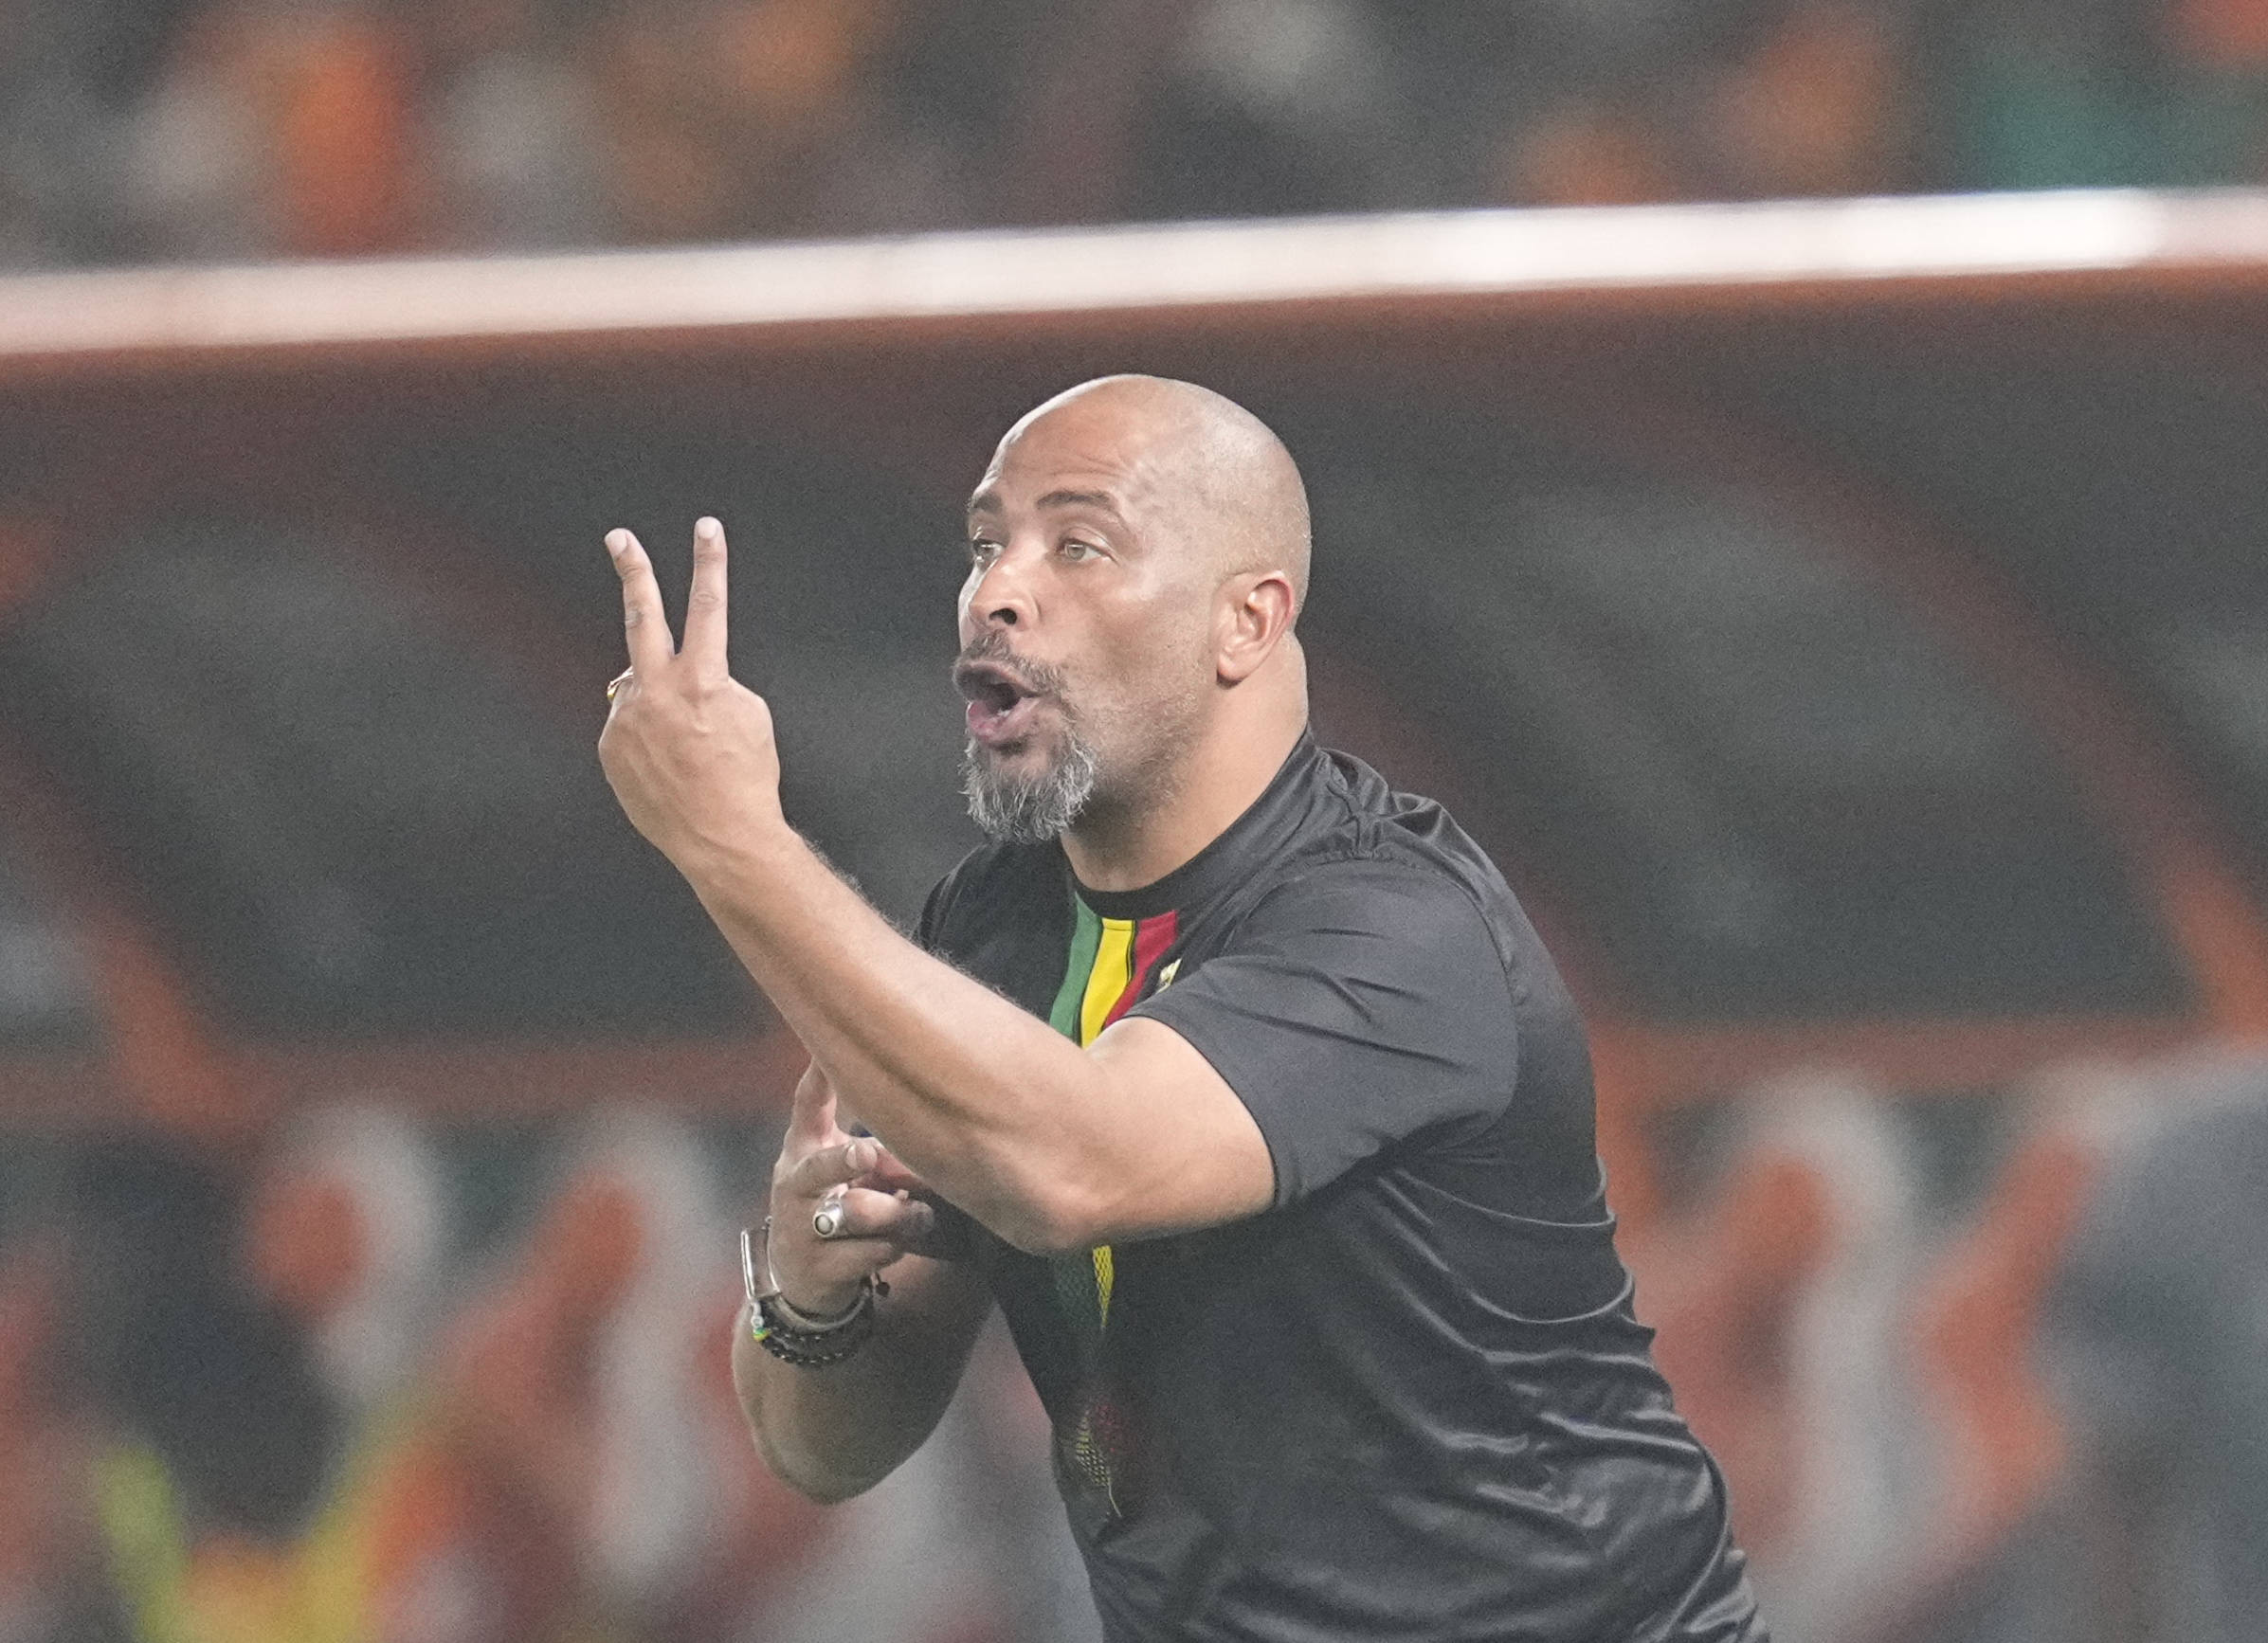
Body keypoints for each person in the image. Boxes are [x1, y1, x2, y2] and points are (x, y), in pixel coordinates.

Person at [596, 374, 1763, 1641]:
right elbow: (825, 1449)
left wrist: (734, 842)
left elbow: (1072, 1162)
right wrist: (811, 1298)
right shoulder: (988, 932)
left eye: (1077, 544)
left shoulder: (1395, 923)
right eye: (986, 543)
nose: (996, 590)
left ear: (1245, 623)